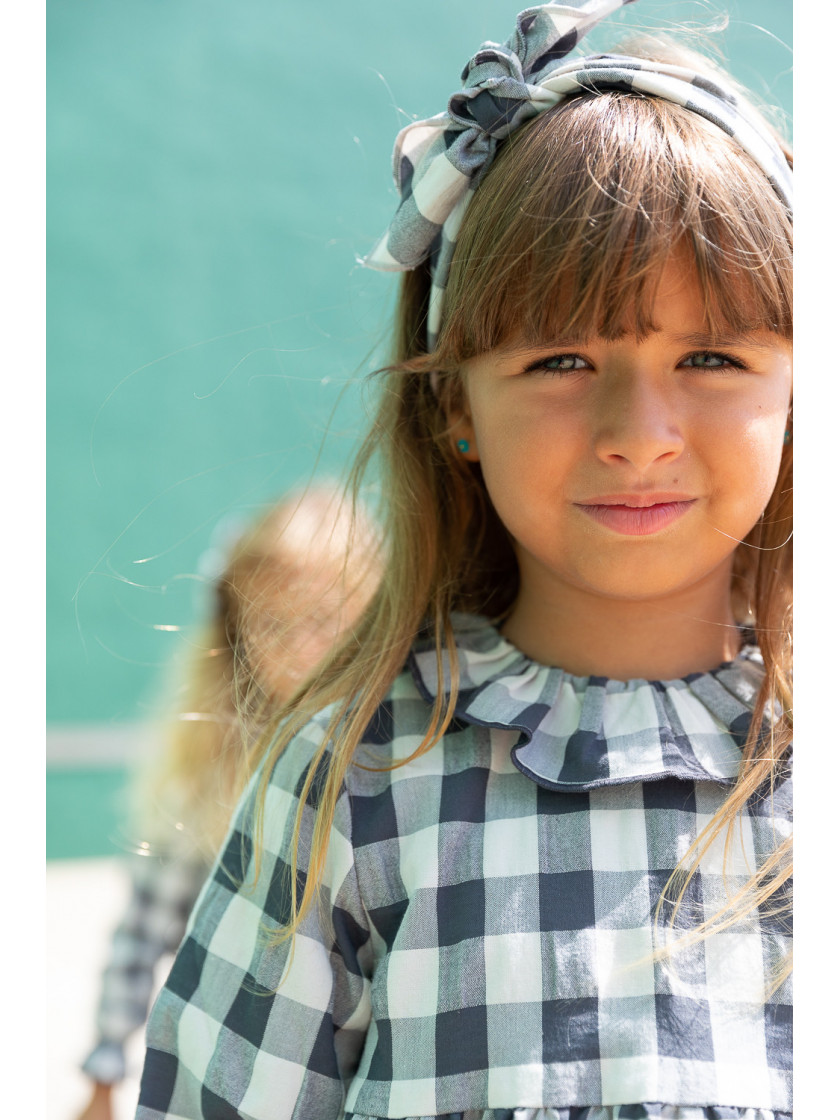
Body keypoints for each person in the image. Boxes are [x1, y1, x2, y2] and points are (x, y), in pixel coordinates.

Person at [136, 0, 793, 1116]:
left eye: (714, 354)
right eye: (565, 356)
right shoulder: (353, 778)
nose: (640, 430)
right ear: (456, 404)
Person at [73, 487, 379, 1120]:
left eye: (326, 619)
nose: (302, 648)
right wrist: (107, 1063)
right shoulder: (217, 765)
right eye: (274, 624)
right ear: (237, 632)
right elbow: (145, 928)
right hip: (243, 1064)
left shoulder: (397, 759)